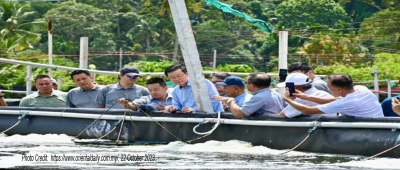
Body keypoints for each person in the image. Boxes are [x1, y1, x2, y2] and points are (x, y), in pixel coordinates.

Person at [283, 74, 384, 117]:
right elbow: (333, 99)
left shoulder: (344, 103)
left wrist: (288, 100)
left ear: (339, 89)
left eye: (329, 86)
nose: (328, 89)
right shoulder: (362, 89)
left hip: (369, 130)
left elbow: (307, 110)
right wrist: (306, 97)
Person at [213, 73, 285, 117]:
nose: (245, 85)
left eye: (246, 82)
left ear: (252, 85)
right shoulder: (275, 93)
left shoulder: (259, 97)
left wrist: (230, 100)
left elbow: (238, 113)